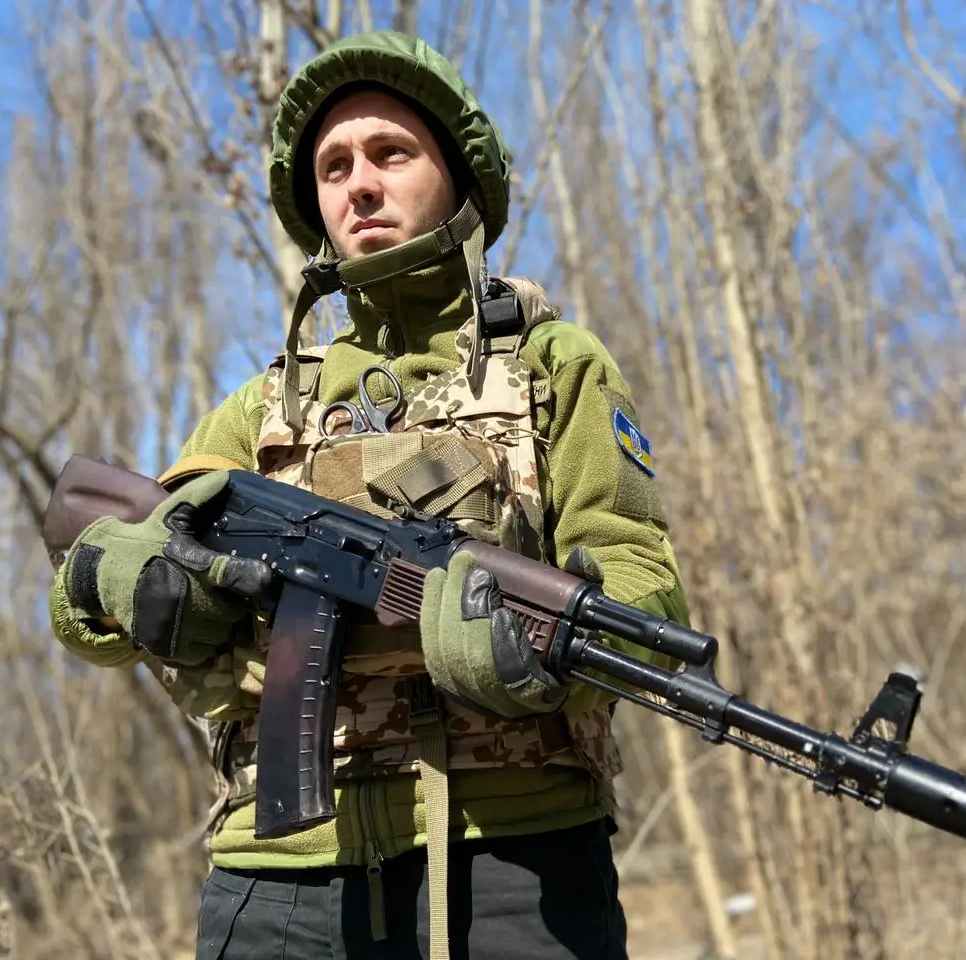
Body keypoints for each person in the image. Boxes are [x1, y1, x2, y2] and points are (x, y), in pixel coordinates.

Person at [46, 29, 689, 960]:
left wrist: (538, 645)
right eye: (335, 165)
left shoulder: (554, 365)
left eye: (392, 153)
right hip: (278, 877)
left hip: (516, 862)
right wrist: (129, 581)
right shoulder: (265, 406)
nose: (360, 185)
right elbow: (86, 593)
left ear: (458, 181)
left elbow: (642, 581)